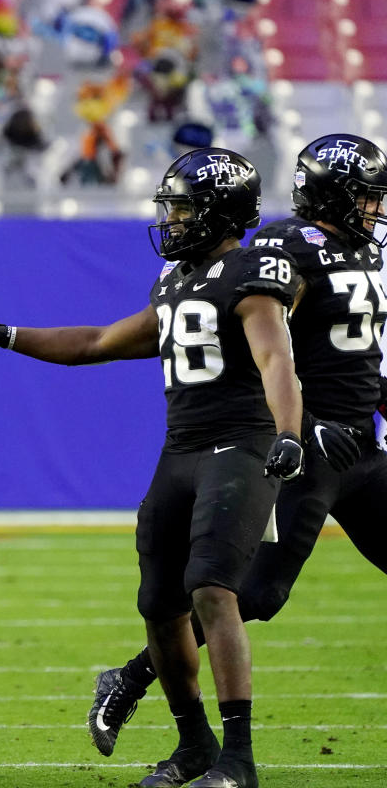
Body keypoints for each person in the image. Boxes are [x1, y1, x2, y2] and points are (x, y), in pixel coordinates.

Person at [0, 147, 304, 788]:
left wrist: (289, 434)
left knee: (214, 590)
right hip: (182, 447)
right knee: (158, 603)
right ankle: (194, 747)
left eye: (185, 207)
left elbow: (276, 361)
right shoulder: (174, 282)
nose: (173, 219)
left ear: (221, 212)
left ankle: (239, 762)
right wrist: (5, 333)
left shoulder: (250, 274)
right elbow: (98, 343)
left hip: (240, 446)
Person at [86, 133, 387, 768]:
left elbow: (357, 357)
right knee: (253, 593)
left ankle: (136, 681)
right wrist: (300, 425)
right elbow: (270, 342)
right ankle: (135, 678)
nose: (373, 209)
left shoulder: (358, 255)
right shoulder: (285, 246)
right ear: (333, 194)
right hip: (305, 445)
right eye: (364, 197)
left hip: (361, 446)